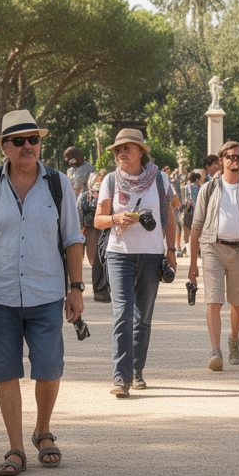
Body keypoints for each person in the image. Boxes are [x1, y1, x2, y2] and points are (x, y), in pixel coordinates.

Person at [0, 111, 84, 475]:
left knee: (48, 368)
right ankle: (15, 447)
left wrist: (75, 289)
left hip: (46, 292)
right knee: (4, 372)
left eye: (33, 139)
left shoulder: (58, 184)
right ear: (4, 148)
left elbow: (73, 241)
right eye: (18, 141)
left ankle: (42, 430)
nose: (27, 146)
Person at [94, 128, 176, 397]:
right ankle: (121, 377)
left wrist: (171, 250)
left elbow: (171, 217)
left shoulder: (161, 179)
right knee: (123, 315)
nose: (120, 153)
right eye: (117, 150)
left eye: (126, 148)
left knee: (143, 318)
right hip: (119, 255)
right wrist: (116, 219)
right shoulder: (110, 180)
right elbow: (98, 220)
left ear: (141, 151)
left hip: (152, 256)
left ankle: (137, 371)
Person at [188, 141, 239, 372]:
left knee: (238, 303)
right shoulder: (208, 188)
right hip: (213, 247)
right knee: (213, 300)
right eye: (230, 157)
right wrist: (193, 264)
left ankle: (233, 338)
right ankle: (216, 351)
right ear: (221, 160)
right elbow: (196, 227)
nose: (235, 161)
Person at [79, 169, 111, 303]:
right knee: (96, 261)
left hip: (107, 229)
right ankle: (99, 289)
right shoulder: (86, 196)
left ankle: (103, 288)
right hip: (91, 230)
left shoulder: (111, 193)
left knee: (105, 261)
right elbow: (80, 214)